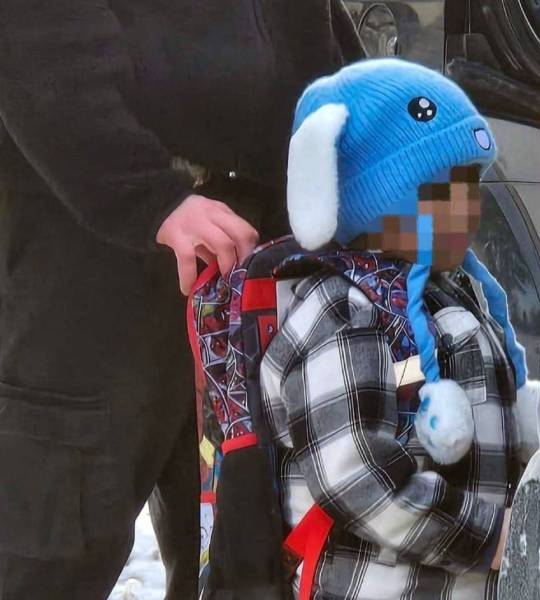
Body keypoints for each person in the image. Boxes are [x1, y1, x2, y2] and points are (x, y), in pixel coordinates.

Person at [0, 2, 363, 598]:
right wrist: (152, 198)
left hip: (252, 261)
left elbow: (317, 50)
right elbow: (42, 63)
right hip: (91, 274)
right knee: (56, 550)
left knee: (241, 552)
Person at [256, 59, 540, 600]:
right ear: (373, 201)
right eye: (440, 192)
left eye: (473, 185)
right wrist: (490, 539)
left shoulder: (451, 292)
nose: (468, 209)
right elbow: (355, 476)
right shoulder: (343, 312)